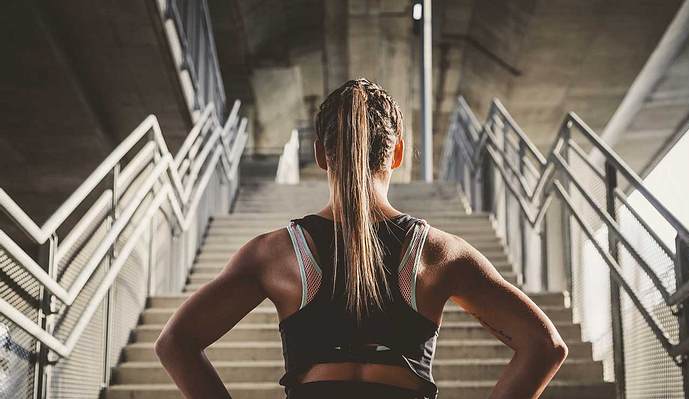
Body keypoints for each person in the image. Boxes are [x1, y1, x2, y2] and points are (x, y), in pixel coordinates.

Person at [155, 78, 568, 399]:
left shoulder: (274, 254)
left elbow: (175, 343)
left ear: (320, 154)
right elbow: (544, 345)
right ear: (398, 153)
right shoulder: (440, 253)